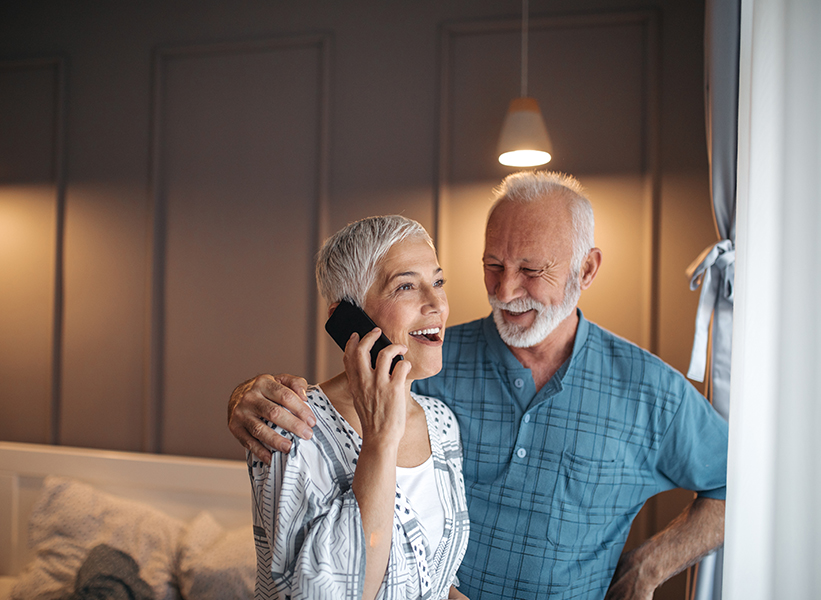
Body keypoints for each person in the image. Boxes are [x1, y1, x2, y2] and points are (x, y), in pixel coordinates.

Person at [231, 172, 728, 600]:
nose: (506, 291)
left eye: (531, 270)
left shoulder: (650, 391)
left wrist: (649, 565)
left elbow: (741, 483)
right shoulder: (423, 366)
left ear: (587, 269)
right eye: (493, 265)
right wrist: (242, 399)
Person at [247, 215, 470, 600]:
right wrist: (380, 440)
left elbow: (433, 579)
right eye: (405, 286)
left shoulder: (441, 422)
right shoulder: (292, 428)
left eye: (437, 282)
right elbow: (333, 592)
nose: (437, 304)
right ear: (348, 319)